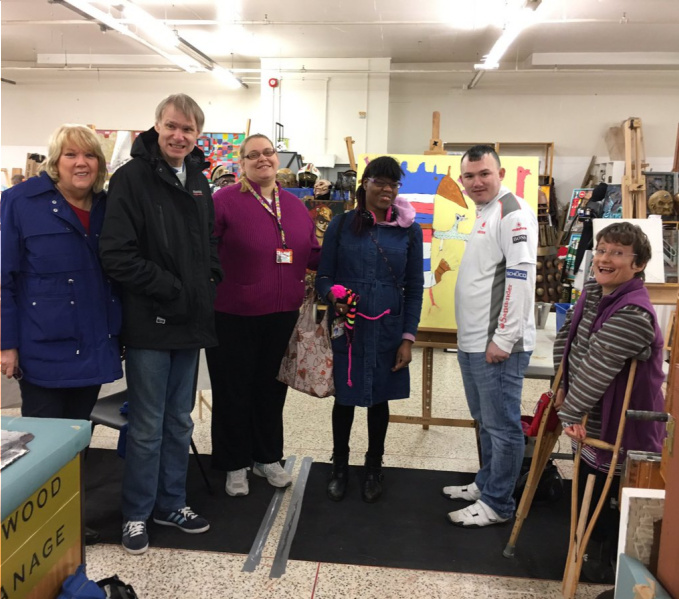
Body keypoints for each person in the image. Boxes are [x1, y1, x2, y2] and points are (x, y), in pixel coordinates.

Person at [99, 94, 223, 555]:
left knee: (180, 420)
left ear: (197, 136)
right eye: (172, 126)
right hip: (151, 322)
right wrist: (170, 287)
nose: (179, 136)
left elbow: (207, 239)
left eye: (188, 130)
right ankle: (136, 513)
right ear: (156, 126)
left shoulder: (197, 178)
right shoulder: (131, 179)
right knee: (147, 424)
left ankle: (172, 503)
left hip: (190, 322)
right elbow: (116, 254)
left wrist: (210, 278)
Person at [206, 133, 320, 498]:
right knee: (233, 391)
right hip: (232, 314)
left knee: (272, 390)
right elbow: (203, 251)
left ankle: (267, 457)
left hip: (283, 314)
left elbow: (312, 253)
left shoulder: (295, 205)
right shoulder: (224, 201)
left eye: (268, 153)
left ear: (277, 159)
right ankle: (234, 462)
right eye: (253, 155)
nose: (263, 159)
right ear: (242, 163)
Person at [553, 222, 665, 583]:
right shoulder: (593, 293)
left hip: (623, 424)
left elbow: (597, 367)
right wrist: (560, 386)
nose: (604, 258)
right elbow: (567, 340)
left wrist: (568, 409)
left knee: (607, 488)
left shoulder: (633, 313)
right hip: (592, 414)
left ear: (638, 265)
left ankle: (602, 557)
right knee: (589, 476)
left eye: (617, 253)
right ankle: (584, 544)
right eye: (601, 250)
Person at [316, 156, 424, 503]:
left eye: (394, 184)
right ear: (365, 183)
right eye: (380, 181)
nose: (387, 190)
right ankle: (340, 465)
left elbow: (414, 287)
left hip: (389, 329)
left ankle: (374, 465)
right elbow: (323, 277)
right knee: (345, 399)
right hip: (348, 329)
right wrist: (334, 295)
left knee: (380, 400)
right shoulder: (342, 224)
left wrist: (408, 338)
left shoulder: (410, 230)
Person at [443, 145, 538, 527]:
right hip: (473, 342)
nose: (476, 181)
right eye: (469, 176)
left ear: (500, 173)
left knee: (502, 427)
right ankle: (486, 483)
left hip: (496, 345)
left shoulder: (512, 213)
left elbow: (520, 276)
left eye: (484, 173)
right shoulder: (486, 212)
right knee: (485, 420)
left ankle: (499, 503)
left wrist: (504, 337)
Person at [1, 124, 122, 418]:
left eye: (90, 155)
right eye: (71, 154)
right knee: (45, 443)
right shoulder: (20, 202)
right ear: (55, 161)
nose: (81, 162)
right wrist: (6, 344)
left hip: (94, 346)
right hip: (43, 351)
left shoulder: (109, 207)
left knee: (78, 434)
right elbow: (3, 279)